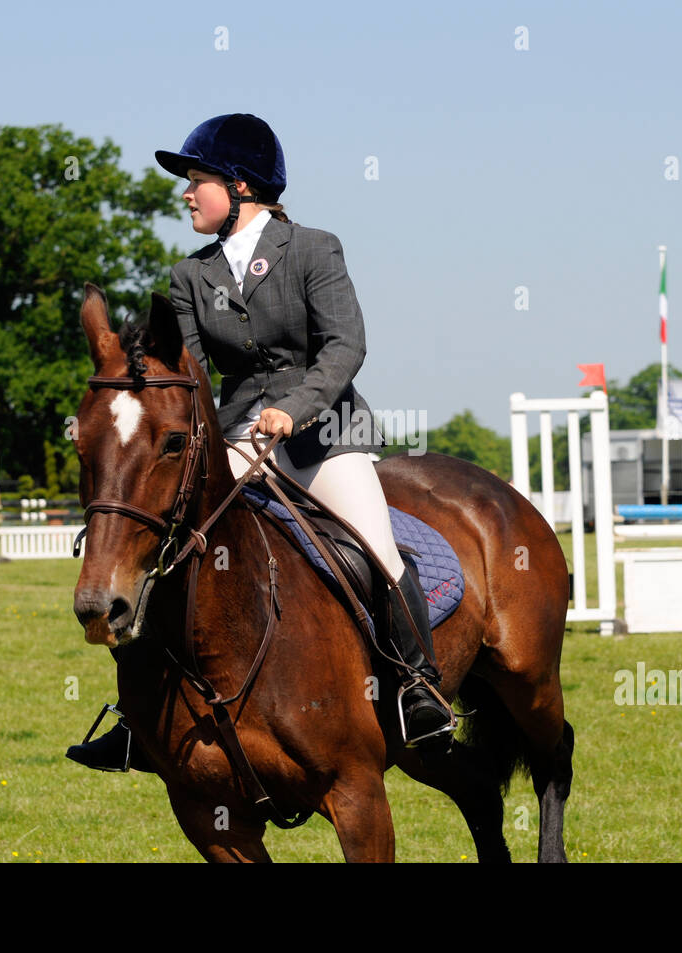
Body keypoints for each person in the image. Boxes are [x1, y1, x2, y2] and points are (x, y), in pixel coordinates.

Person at [67, 114, 454, 772]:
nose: (186, 194)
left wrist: (294, 409)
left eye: (197, 181)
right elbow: (184, 373)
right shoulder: (190, 276)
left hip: (326, 434)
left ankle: (419, 688)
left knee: (377, 547)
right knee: (167, 549)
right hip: (240, 436)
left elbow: (345, 346)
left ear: (240, 186)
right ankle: (140, 719)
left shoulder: (313, 250)